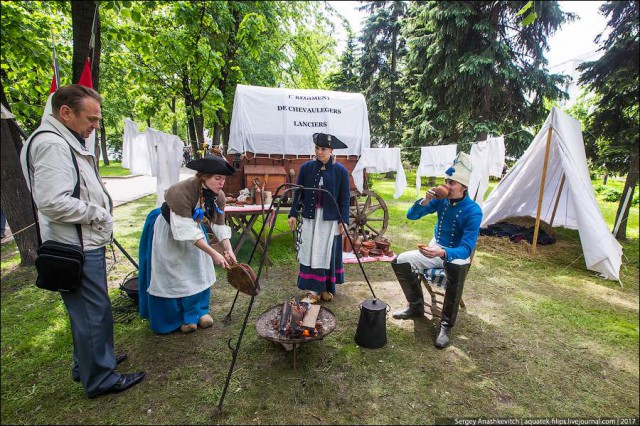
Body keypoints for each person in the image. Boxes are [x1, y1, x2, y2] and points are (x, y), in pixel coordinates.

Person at [20, 84, 145, 398]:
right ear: (65, 112)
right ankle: (101, 377)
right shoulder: (52, 144)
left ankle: (88, 361)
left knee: (88, 312)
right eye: (90, 119)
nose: (95, 126)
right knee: (93, 312)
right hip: (75, 245)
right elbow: (52, 201)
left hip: (80, 242)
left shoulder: (62, 139)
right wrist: (98, 214)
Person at [391, 152, 482, 348]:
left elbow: (466, 248)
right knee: (400, 261)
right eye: (446, 180)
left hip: (457, 255)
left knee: (456, 269)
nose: (447, 185)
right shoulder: (441, 199)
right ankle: (416, 307)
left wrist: (443, 253)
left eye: (452, 183)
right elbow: (411, 216)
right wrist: (424, 201)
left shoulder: (473, 210)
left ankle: (446, 325)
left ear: (463, 187)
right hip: (436, 249)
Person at [138, 155, 236, 334]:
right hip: (170, 232)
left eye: (223, 178)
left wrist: (228, 248)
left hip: (194, 232)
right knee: (173, 272)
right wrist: (213, 253)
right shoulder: (181, 191)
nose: (222, 183)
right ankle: (175, 319)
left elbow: (218, 224)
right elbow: (184, 229)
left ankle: (197, 312)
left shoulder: (218, 196)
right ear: (204, 176)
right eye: (217, 178)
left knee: (196, 269)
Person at [287, 133, 350, 303]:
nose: (319, 152)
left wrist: (343, 220)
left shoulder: (340, 171)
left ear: (331, 150)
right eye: (317, 148)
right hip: (311, 218)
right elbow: (298, 193)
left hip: (329, 219)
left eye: (323, 149)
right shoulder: (307, 168)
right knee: (312, 251)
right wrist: (293, 213)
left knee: (326, 252)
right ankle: (313, 291)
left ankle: (326, 289)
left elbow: (344, 198)